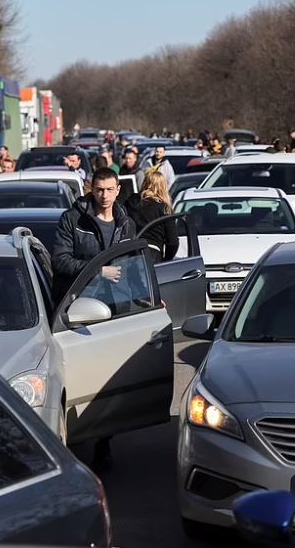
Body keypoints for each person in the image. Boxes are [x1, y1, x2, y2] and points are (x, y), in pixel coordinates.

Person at [52, 168, 137, 470]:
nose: (104, 195)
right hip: (77, 310)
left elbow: (134, 264)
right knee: (78, 375)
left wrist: (147, 296)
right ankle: (70, 438)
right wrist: (96, 270)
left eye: (110, 189)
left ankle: (104, 442)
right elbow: (60, 260)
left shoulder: (126, 222)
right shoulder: (72, 220)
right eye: (99, 189)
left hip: (116, 310)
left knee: (110, 377)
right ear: (91, 189)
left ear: (118, 191)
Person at [125, 170, 179, 264]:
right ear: (163, 187)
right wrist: (166, 260)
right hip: (153, 254)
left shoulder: (131, 201)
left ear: (145, 182)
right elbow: (173, 242)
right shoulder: (164, 208)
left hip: (131, 252)